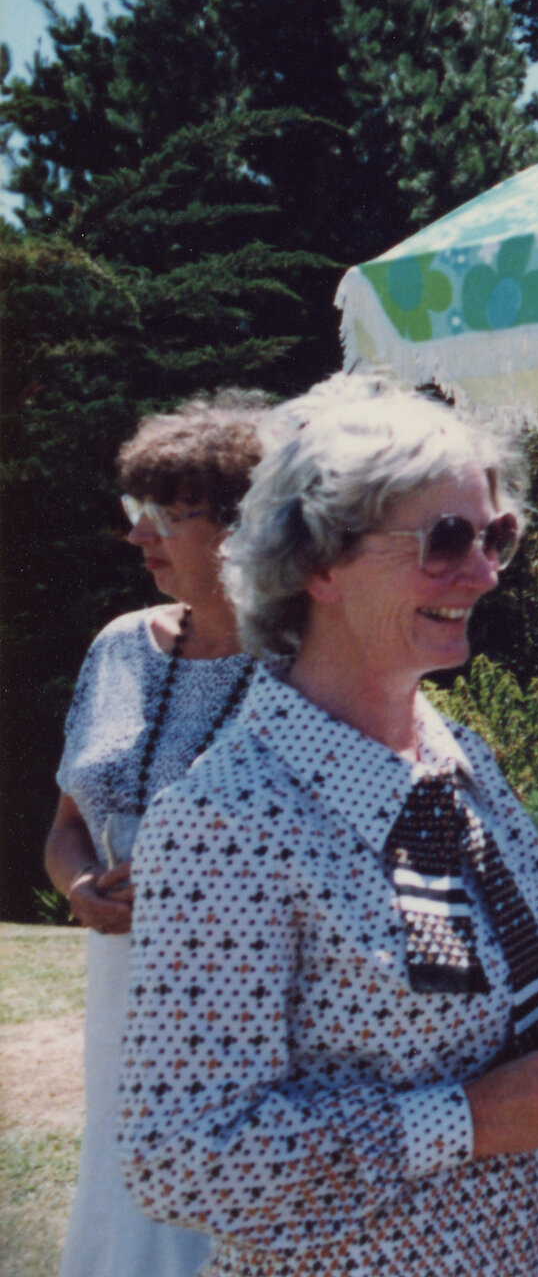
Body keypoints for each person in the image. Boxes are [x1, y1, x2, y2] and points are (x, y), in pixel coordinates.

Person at [117, 374, 538, 1277]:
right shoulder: (228, 818)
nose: (483, 572)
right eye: (444, 540)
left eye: (497, 536)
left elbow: (487, 1001)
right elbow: (179, 1157)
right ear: (319, 563)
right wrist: (473, 1121)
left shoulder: (459, 762)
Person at [43, 393, 267, 1277]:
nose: (139, 538)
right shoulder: (118, 647)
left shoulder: (311, 675)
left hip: (230, 1003)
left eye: (166, 517)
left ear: (247, 530)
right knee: (123, 1192)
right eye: (137, 513)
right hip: (118, 991)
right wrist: (77, 891)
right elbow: (66, 827)